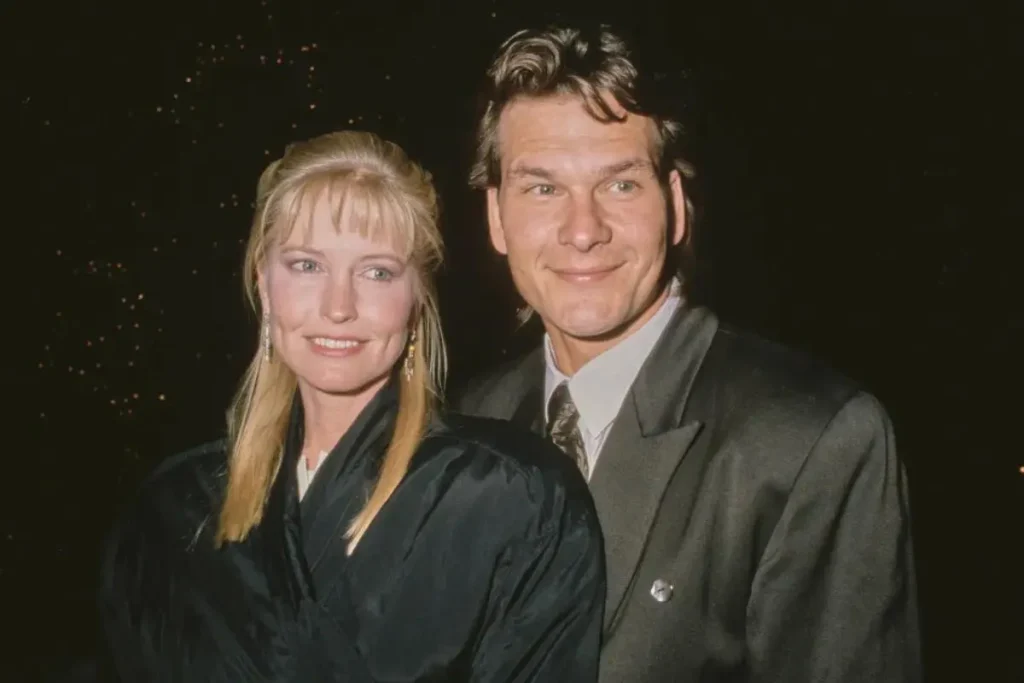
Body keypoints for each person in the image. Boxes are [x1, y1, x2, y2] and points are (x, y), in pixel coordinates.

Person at [455, 25, 921, 683]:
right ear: (497, 218)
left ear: (674, 208)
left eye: (620, 185)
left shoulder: (810, 439)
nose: (583, 230)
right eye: (542, 188)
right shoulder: (470, 420)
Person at [95, 130, 605, 682]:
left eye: (376, 272)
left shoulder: (516, 496)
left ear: (416, 300)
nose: (339, 306)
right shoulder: (173, 510)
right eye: (306, 266)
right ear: (264, 284)